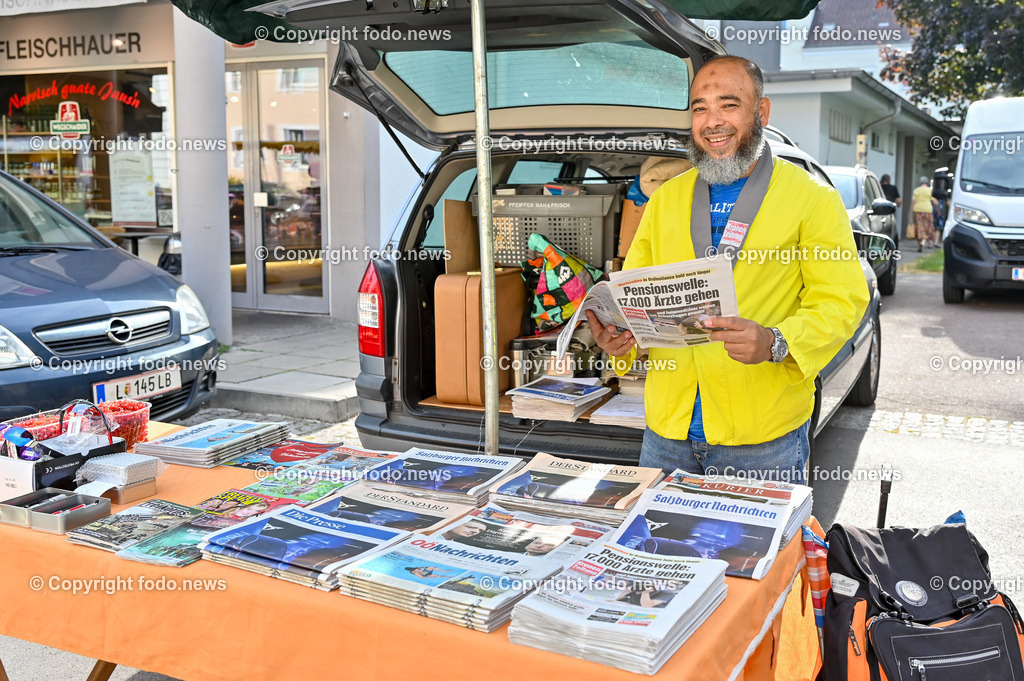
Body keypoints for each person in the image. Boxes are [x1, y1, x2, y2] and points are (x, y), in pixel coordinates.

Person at [586, 55, 868, 485]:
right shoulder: (665, 200)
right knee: (658, 532)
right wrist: (621, 339)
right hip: (667, 431)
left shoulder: (813, 199)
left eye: (729, 105)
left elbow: (841, 302)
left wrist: (775, 342)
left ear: (762, 111)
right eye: (700, 108)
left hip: (761, 437)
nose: (712, 121)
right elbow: (635, 296)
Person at [911, 176, 940, 251]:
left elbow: (913, 202)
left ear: (920, 182)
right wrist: (938, 210)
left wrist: (910, 212)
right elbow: (936, 202)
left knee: (919, 227)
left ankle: (920, 243)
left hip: (917, 211)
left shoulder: (916, 190)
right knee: (928, 227)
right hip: (928, 211)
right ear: (927, 182)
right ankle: (924, 240)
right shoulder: (930, 191)